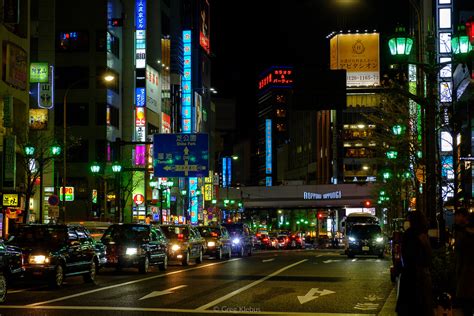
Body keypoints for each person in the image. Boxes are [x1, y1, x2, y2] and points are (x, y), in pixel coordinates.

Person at [396, 211, 434, 316]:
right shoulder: (423, 233)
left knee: (409, 304)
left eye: (408, 220)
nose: (407, 222)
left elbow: (406, 254)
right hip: (421, 274)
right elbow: (429, 255)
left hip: (411, 274)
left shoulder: (409, 234)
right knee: (422, 304)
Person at [454, 211, 474, 316]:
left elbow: (460, 254)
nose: (455, 218)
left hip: (466, 271)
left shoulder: (463, 235)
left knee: (466, 304)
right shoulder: (464, 233)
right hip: (468, 270)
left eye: (457, 215)